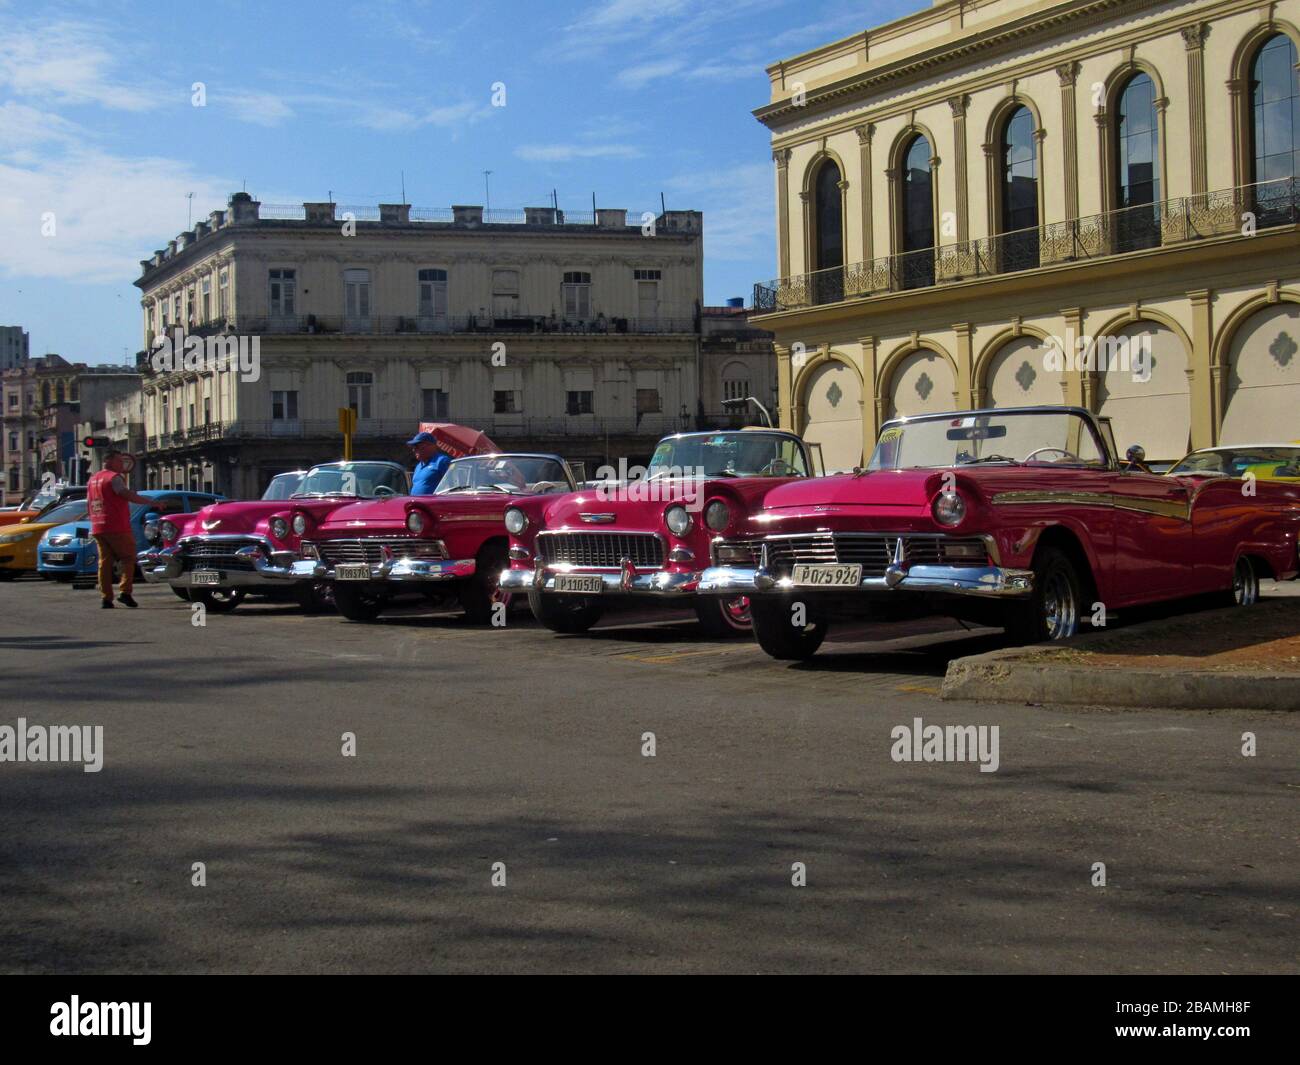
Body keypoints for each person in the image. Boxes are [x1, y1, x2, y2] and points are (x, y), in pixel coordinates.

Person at [86, 451, 156, 609]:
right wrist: (151, 502)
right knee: (128, 559)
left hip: (98, 525)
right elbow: (126, 495)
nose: (122, 465)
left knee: (104, 563)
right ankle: (125, 592)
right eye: (119, 461)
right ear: (109, 461)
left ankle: (106, 598)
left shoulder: (93, 479)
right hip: (116, 525)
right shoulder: (114, 478)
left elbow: (89, 503)